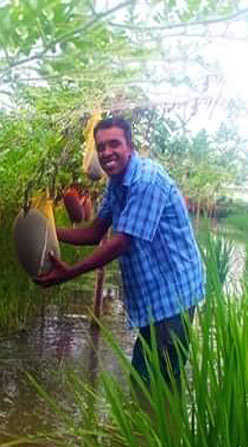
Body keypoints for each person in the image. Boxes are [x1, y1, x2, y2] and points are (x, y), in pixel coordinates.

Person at [34, 117, 205, 388]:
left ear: (130, 146)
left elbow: (122, 242)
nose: (106, 153)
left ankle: (163, 427)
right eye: (101, 147)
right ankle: (152, 427)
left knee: (158, 383)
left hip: (174, 295)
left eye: (114, 144)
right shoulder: (116, 183)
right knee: (145, 377)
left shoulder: (147, 182)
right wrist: (46, 233)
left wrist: (70, 273)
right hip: (153, 296)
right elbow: (94, 233)